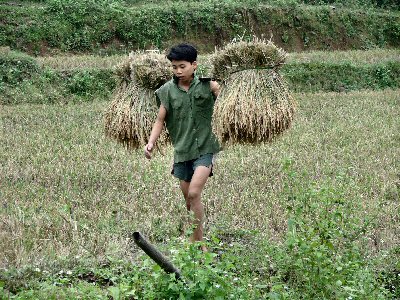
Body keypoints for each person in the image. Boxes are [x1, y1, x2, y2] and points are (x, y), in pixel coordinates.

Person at [144, 43, 221, 252]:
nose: (178, 71)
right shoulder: (167, 91)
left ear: (194, 65)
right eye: (174, 67)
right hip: (182, 151)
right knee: (189, 201)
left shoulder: (208, 85)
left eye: (182, 66)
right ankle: (195, 240)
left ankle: (201, 245)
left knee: (194, 193)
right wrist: (151, 142)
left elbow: (227, 103)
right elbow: (160, 120)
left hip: (205, 147)